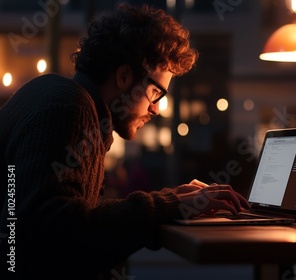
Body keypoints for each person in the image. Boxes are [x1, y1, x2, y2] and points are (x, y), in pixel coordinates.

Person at [0, 4, 250, 279]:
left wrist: (171, 201)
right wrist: (166, 206)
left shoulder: (56, 94)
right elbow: (55, 234)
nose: (156, 109)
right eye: (156, 92)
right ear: (123, 77)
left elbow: (69, 215)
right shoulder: (70, 108)